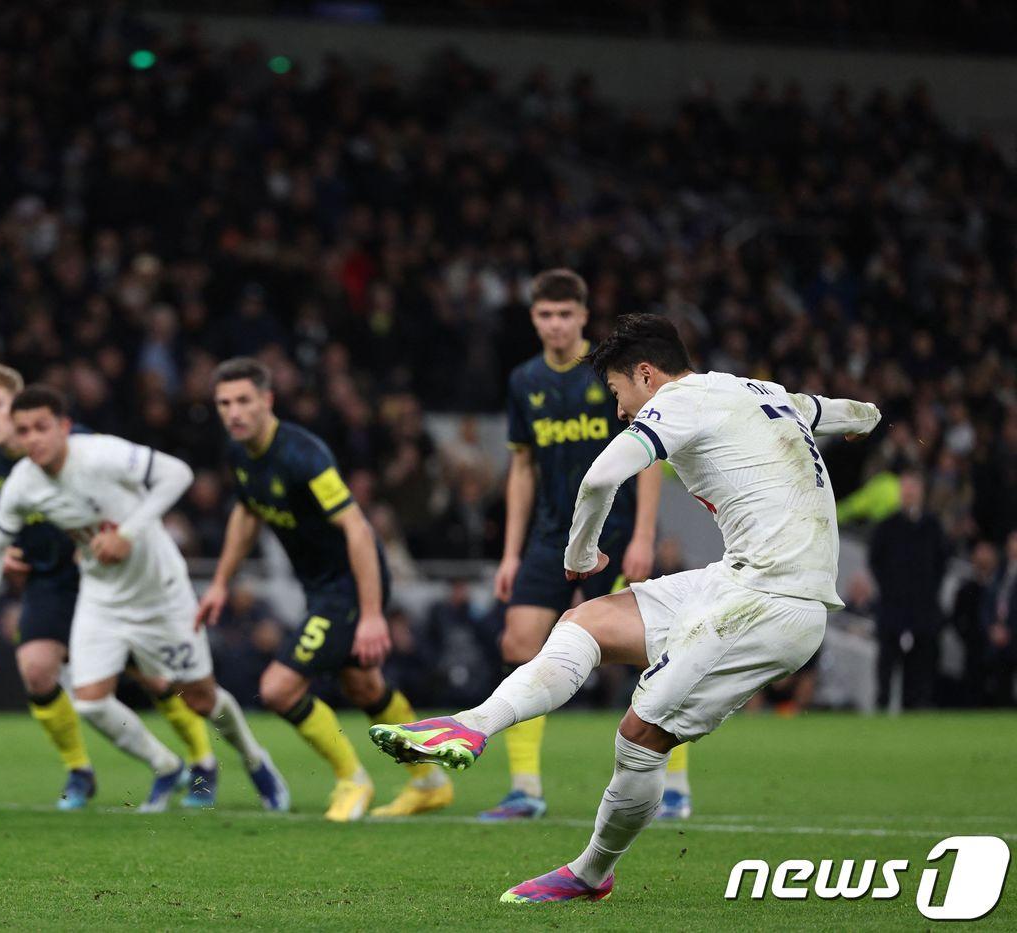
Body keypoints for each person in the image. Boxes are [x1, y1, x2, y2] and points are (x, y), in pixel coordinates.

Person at [370, 313, 881, 904]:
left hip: (773, 604)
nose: (619, 411)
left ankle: (591, 874)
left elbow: (598, 479)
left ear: (645, 374)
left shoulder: (680, 400)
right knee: (586, 623)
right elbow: (842, 411)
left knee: (640, 736)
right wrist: (867, 420)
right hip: (738, 581)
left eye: (618, 393)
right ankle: (472, 725)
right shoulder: (757, 390)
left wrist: (580, 553)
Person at [0, 385, 287, 814]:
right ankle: (165, 765)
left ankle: (254, 759)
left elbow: (178, 474)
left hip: (160, 592)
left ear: (64, 427)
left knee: (200, 698)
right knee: (89, 701)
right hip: (102, 596)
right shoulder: (22, 482)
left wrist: (128, 533)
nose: (33, 438)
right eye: (24, 431)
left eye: (42, 427)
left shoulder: (101, 454)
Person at [196, 357, 453, 821]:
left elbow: (357, 528)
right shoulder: (238, 453)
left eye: (243, 401)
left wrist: (371, 614)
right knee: (364, 686)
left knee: (278, 688)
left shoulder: (303, 455)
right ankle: (430, 782)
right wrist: (219, 583)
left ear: (267, 400)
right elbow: (247, 512)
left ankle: (352, 778)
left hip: (349, 583)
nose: (233, 412)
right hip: (320, 587)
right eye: (224, 403)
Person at [485, 268, 688, 822]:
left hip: (615, 533)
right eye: (545, 315)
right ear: (533, 318)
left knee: (652, 651)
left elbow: (649, 456)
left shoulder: (610, 375)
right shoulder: (524, 381)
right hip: (552, 535)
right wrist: (510, 553)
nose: (555, 325)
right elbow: (521, 468)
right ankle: (525, 789)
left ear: (582, 316)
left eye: (564, 314)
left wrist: (643, 536)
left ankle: (673, 784)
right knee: (518, 641)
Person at [868, 470, 948, 709]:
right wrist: (890, 589)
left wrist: (927, 591)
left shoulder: (933, 527)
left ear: (921, 492)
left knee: (918, 674)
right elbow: (875, 561)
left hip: (923, 613)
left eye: (913, 489)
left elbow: (941, 563)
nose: (909, 494)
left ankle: (914, 713)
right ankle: (882, 711)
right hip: (892, 611)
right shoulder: (887, 526)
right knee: (885, 670)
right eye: (905, 489)